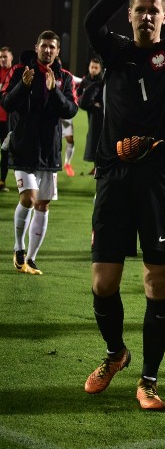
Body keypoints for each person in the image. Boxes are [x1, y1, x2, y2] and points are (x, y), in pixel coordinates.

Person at [82, 0, 165, 410]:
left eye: (154, 10)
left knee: (157, 284)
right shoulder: (113, 52)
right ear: (130, 15)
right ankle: (116, 354)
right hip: (113, 179)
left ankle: (148, 381)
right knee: (103, 283)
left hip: (159, 184)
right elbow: (93, 21)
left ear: (163, 17)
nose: (147, 16)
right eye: (140, 9)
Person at [2, 31, 78, 275]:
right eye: (43, 46)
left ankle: (32, 259)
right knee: (29, 198)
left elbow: (71, 110)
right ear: (36, 48)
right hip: (24, 146)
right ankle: (18, 248)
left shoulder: (64, 78)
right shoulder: (19, 71)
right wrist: (23, 87)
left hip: (49, 150)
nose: (47, 50)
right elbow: (6, 103)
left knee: (43, 205)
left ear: (57, 51)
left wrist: (54, 91)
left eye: (52, 47)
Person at [78, 57, 105, 176]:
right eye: (92, 67)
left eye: (96, 68)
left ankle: (99, 166)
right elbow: (79, 96)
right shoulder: (85, 81)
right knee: (94, 138)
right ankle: (96, 166)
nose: (93, 70)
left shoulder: (103, 81)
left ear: (100, 69)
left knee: (99, 138)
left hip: (102, 116)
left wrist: (98, 105)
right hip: (92, 115)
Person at [60, 74, 83, 176]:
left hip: (65, 115)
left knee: (70, 140)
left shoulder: (66, 76)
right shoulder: (44, 74)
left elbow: (83, 81)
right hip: (50, 116)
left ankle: (67, 164)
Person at [0, 46, 14, 192]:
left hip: (7, 120)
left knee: (6, 151)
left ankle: (2, 181)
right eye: (1, 57)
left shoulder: (14, 73)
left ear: (11, 57)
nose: (3, 59)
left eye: (5, 56)